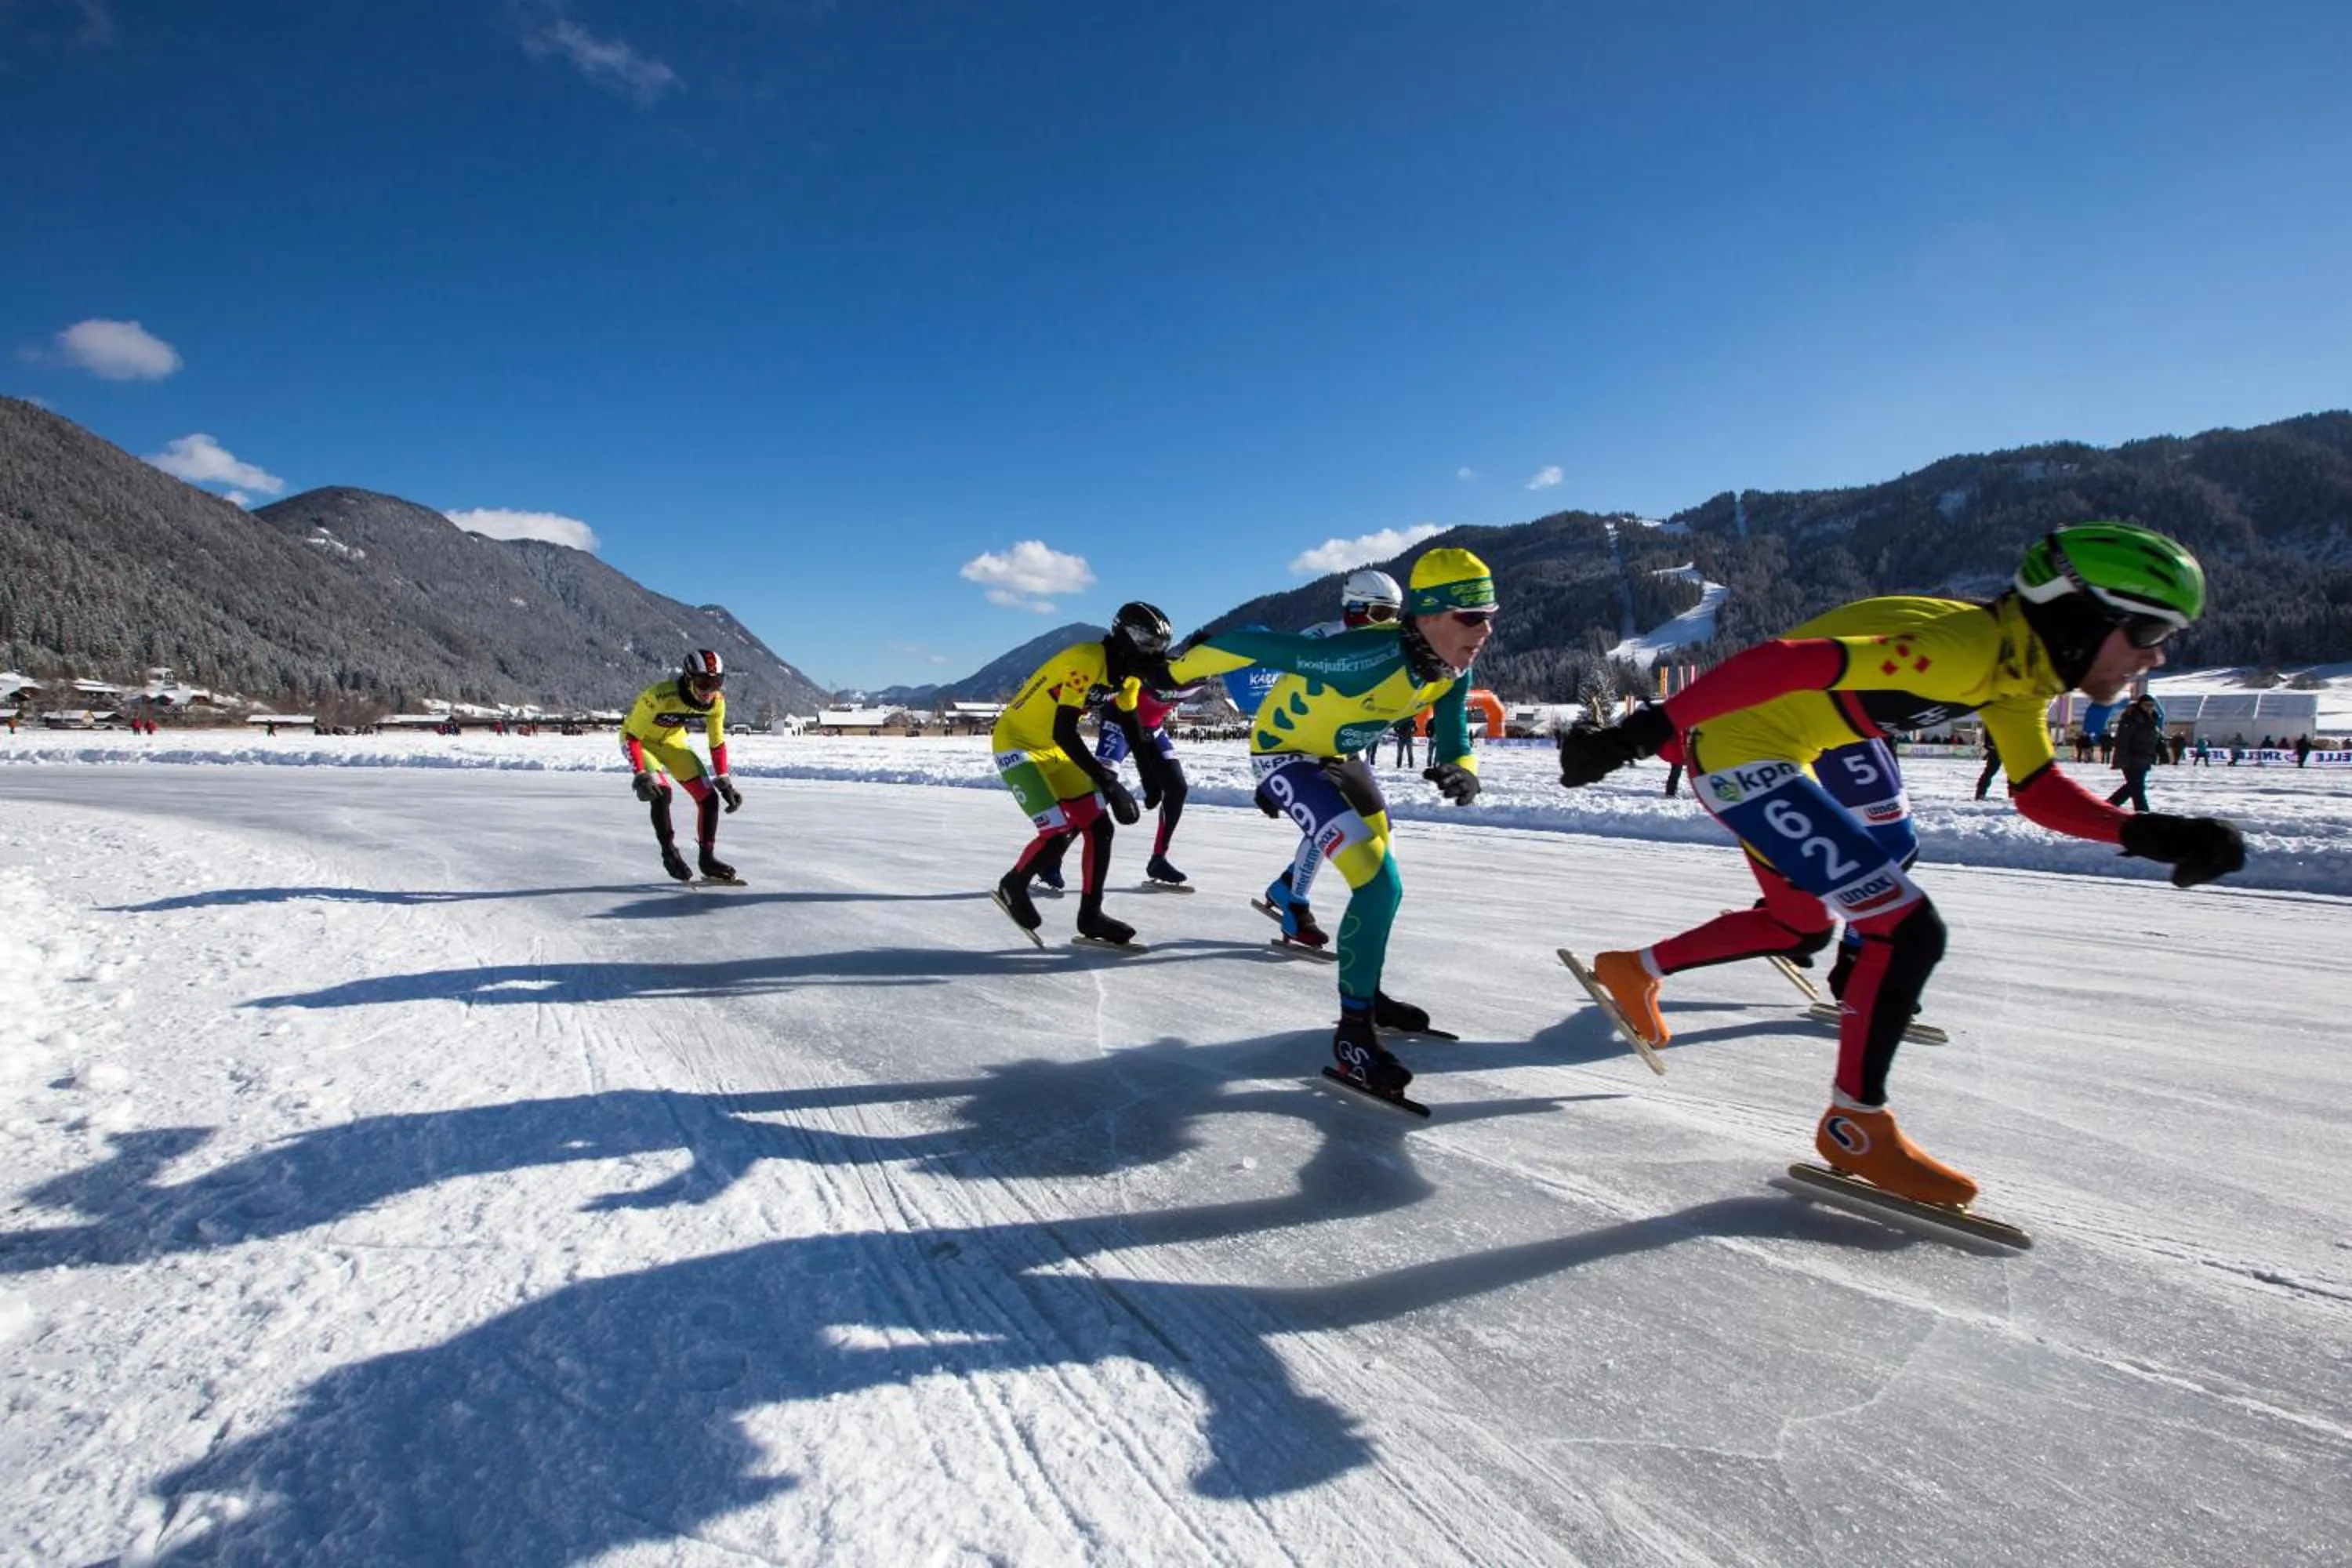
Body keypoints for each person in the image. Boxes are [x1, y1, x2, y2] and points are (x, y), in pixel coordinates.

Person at [1556, 521, 2245, 1207]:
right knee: (1905, 927)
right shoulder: (1964, 650)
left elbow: (2034, 790)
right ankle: (1856, 1125)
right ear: (2081, 616)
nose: (2153, 659)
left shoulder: (2019, 672)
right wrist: (1641, 732)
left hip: (1770, 758)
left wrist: (2147, 831)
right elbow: (1784, 662)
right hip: (1741, 759)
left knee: (1800, 929)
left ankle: (1633, 968)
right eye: (2149, 634)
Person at [1168, 550, 1497, 1097]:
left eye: (1490, 614)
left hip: (1342, 759)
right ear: (1429, 614)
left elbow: (1454, 731)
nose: (1485, 629)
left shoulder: (1454, 665)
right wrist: (1171, 670)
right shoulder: (1363, 654)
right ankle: (1353, 1037)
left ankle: (1368, 992)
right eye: (1471, 617)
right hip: (1287, 755)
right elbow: (1254, 646)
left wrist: (1464, 769)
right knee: (1378, 880)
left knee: (1382, 882)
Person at [989, 604, 1161, 946]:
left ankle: (1090, 916)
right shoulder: (1086, 660)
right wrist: (1110, 785)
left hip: (1053, 747)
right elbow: (1066, 730)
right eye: (1148, 648)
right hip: (1017, 744)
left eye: (1157, 650)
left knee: (1100, 828)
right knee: (1057, 831)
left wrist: (1150, 777)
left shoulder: (1127, 678)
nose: (1152, 657)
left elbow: (1131, 725)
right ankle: (1014, 884)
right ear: (1127, 641)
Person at [1257, 568, 1406, 951]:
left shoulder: (1388, 647)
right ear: (1353, 609)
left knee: (1380, 831)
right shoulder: (1320, 639)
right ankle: (1295, 902)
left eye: (1393, 617)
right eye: (1377, 615)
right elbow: (1278, 697)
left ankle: (1287, 884)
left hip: (1341, 752)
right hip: (1298, 750)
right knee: (1331, 825)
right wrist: (1267, 776)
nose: (1386, 626)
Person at [620, 650, 744, 883]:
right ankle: (669, 853)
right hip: (641, 743)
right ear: (688, 678)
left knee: (709, 797)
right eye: (702, 682)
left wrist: (724, 781)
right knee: (661, 793)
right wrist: (641, 775)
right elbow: (632, 737)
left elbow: (717, 743)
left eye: (716, 683)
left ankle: (707, 859)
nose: (708, 691)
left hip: (673, 744)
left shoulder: (717, 702)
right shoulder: (658, 695)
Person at [2106, 693, 2164, 811]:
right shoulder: (2132, 718)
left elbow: (2154, 739)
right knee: (2136, 787)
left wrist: (2161, 752)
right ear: (2140, 705)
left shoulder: (2152, 720)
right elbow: (2123, 739)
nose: (2149, 708)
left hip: (2144, 757)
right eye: (2146, 705)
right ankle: (2142, 812)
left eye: (2152, 705)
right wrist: (2123, 758)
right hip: (2131, 757)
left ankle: (2109, 805)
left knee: (2133, 786)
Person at [1973, 730, 2002, 800]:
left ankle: (2016, 794)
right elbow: (1986, 738)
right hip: (1996, 750)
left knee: (2015, 773)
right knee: (1990, 771)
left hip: (2006, 748)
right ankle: (1980, 793)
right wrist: (1990, 745)